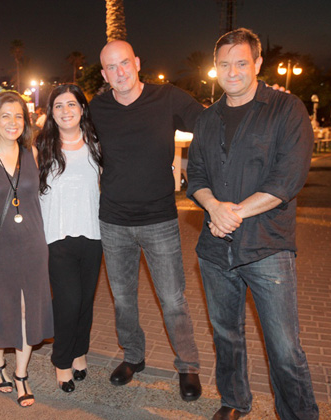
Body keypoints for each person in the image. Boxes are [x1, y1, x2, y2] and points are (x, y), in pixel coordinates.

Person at [186, 28, 319, 420]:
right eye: (224, 64)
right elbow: (196, 176)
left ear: (258, 63)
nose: (232, 71)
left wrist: (232, 213)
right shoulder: (206, 119)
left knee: (284, 348)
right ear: (215, 67)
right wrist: (213, 206)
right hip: (215, 249)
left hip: (267, 247)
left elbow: (288, 179)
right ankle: (234, 401)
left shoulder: (286, 109)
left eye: (241, 63)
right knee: (226, 337)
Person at [89, 40, 202, 401]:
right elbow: (69, 139)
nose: (119, 72)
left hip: (159, 219)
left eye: (124, 63)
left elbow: (210, 125)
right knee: (123, 299)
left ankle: (188, 365)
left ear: (137, 62)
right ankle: (133, 357)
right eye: (111, 67)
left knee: (172, 299)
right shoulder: (97, 109)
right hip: (114, 221)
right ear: (104, 73)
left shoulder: (167, 97)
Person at [0, 92, 53, 408]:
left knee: (27, 309)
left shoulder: (33, 152)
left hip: (32, 245)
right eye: (5, 115)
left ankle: (20, 375)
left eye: (18, 116)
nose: (13, 122)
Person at [36, 84, 103, 393]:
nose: (66, 111)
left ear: (82, 109)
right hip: (56, 236)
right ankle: (62, 361)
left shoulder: (97, 145)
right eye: (59, 106)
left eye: (72, 104)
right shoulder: (40, 147)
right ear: (51, 113)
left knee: (85, 301)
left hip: (93, 234)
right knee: (68, 302)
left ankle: (79, 352)